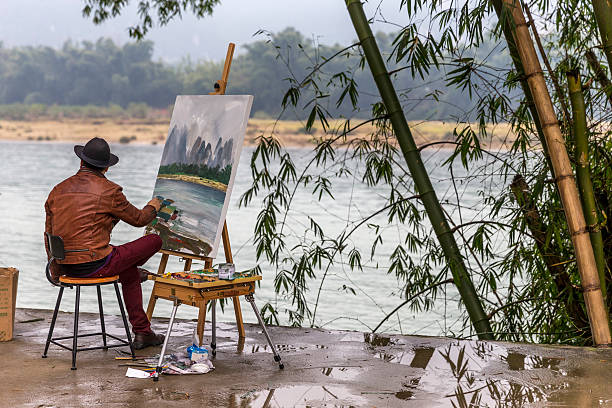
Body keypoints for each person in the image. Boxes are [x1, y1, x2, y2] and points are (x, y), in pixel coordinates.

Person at [44, 137, 165, 349]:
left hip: (66, 268)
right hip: (95, 264)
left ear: (81, 162)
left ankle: (143, 333)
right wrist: (153, 206)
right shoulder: (109, 191)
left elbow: (48, 235)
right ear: (107, 167)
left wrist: (56, 271)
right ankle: (135, 276)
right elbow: (139, 220)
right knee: (154, 240)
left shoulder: (57, 190)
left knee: (128, 273)